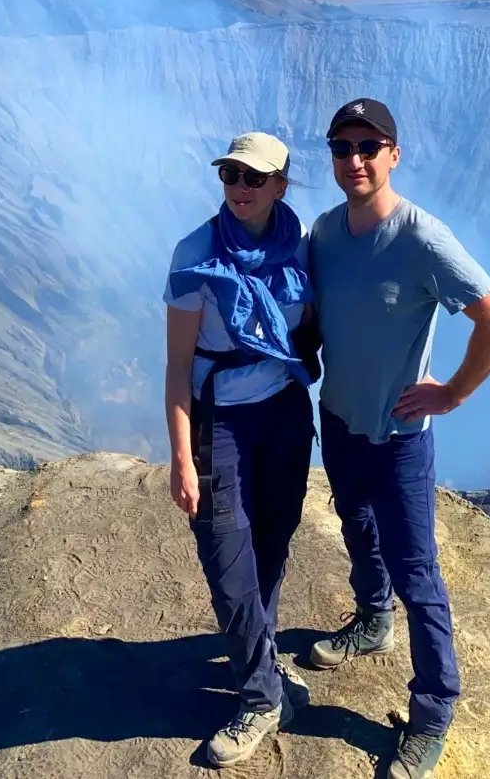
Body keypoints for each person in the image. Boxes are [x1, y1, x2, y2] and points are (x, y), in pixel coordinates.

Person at [305, 98, 490, 779]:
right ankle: (373, 619)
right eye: (342, 147)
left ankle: (432, 714)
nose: (355, 159)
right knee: (355, 523)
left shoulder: (423, 236)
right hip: (337, 418)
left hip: (399, 435)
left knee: (418, 573)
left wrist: (452, 392)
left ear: (394, 154)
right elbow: (316, 315)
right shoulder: (325, 231)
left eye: (370, 145)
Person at [163, 131, 320, 769]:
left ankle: (260, 656)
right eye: (231, 175)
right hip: (219, 419)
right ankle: (261, 697)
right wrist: (179, 458)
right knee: (228, 562)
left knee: (273, 544)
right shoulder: (195, 254)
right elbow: (177, 366)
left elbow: (322, 323)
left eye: (255, 178)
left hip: (284, 412)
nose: (240, 189)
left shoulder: (299, 245)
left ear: (281, 185)